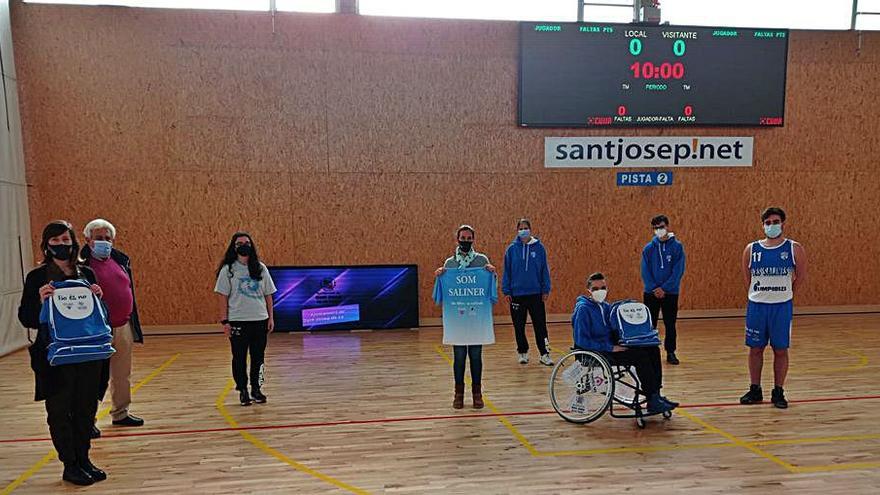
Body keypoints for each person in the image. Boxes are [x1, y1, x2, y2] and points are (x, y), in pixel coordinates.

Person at [18, 220, 109, 486]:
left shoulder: (87, 274)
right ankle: (69, 464)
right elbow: (27, 318)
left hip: (89, 353)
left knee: (85, 409)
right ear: (46, 245)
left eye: (65, 240)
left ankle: (84, 459)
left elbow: (99, 316)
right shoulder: (37, 277)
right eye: (54, 241)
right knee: (59, 411)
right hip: (54, 356)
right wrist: (40, 300)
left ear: (73, 242)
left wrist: (98, 298)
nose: (61, 245)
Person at [571, 272, 677, 414]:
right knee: (640, 357)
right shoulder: (583, 309)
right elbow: (581, 340)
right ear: (589, 291)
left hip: (609, 347)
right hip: (595, 352)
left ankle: (655, 394)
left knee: (652, 349)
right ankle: (652, 398)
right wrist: (610, 347)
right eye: (596, 289)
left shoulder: (606, 307)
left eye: (603, 288)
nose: (600, 291)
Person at [80, 219, 145, 433]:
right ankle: (87, 420)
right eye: (99, 238)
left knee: (122, 374)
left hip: (123, 325)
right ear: (88, 240)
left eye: (108, 239)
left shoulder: (120, 260)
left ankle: (121, 413)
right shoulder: (81, 265)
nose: (104, 242)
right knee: (95, 377)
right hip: (96, 329)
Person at [739, 207, 807, 409]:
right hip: (757, 306)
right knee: (755, 349)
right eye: (767, 222)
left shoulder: (794, 248)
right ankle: (755, 389)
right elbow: (747, 278)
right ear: (763, 225)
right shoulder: (751, 249)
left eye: (775, 222)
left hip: (781, 307)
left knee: (780, 349)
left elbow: (800, 276)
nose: (771, 225)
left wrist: (787, 293)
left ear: (783, 223)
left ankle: (778, 391)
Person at [435, 225, 497, 409]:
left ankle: (477, 393)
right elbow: (445, 290)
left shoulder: (482, 260)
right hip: (458, 319)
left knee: (476, 356)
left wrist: (492, 274)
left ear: (473, 240)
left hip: (476, 318)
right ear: (457, 239)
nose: (466, 241)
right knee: (459, 357)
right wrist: (440, 276)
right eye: (463, 237)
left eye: (469, 238)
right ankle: (458, 394)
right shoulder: (450, 263)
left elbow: (490, 288)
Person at [214, 232, 277, 406]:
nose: (244, 245)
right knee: (239, 357)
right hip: (238, 321)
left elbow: (268, 295)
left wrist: (271, 317)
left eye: (247, 242)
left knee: (259, 358)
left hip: (260, 320)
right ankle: (242, 389)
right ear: (234, 247)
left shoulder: (261, 268)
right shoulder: (228, 270)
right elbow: (222, 296)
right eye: (240, 243)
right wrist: (224, 321)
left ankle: (257, 388)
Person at [502, 218, 553, 366]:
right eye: (521, 228)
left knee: (540, 325)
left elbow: (544, 270)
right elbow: (507, 271)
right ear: (517, 230)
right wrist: (506, 291)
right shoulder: (511, 249)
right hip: (517, 294)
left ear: (530, 229)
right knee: (519, 325)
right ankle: (523, 352)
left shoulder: (539, 248)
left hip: (536, 293)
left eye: (526, 227)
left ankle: (545, 354)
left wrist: (545, 288)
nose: (523, 230)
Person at [640, 214, 686, 365]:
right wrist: (654, 288)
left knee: (670, 323)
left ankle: (671, 352)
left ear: (667, 226)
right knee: (650, 324)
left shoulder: (677, 247)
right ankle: (649, 351)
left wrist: (665, 288)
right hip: (651, 293)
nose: (658, 230)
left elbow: (678, 271)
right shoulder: (648, 249)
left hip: (670, 293)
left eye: (661, 227)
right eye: (655, 228)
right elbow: (645, 270)